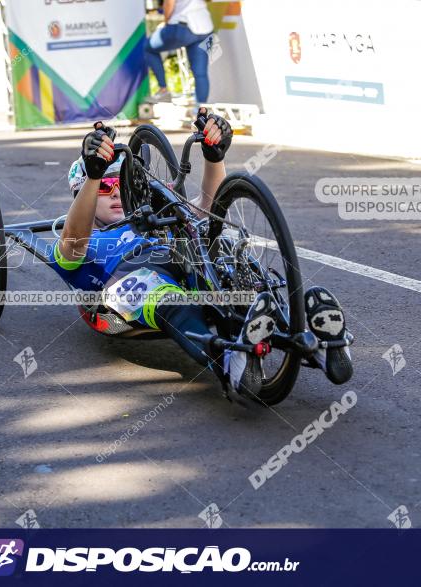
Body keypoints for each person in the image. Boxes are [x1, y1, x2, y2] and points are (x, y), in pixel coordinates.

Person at [48, 112, 351, 403]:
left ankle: (316, 343)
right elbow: (71, 247)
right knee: (153, 290)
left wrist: (214, 156)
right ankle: (229, 362)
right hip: (125, 288)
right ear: (82, 194)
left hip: (186, 267)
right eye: (105, 186)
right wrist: (93, 175)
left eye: (120, 184)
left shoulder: (151, 217)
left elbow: (208, 208)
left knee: (225, 244)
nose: (115, 193)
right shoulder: (85, 240)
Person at [145, 0, 215, 104]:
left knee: (148, 48)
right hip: (206, 28)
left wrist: (166, 22)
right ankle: (201, 112)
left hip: (183, 26)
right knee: (200, 73)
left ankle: (163, 90)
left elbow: (169, 3)